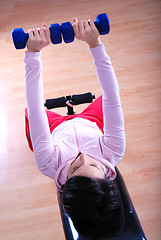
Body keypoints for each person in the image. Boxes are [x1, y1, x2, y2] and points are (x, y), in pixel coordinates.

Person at [24, 18, 126, 238]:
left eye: (75, 169)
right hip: (91, 122)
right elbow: (111, 97)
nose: (82, 157)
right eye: (95, 166)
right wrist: (95, 43)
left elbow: (35, 107)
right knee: (106, 99)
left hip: (57, 127)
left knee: (29, 113)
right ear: (108, 176)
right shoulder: (114, 151)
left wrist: (33, 53)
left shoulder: (48, 163)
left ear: (65, 184)